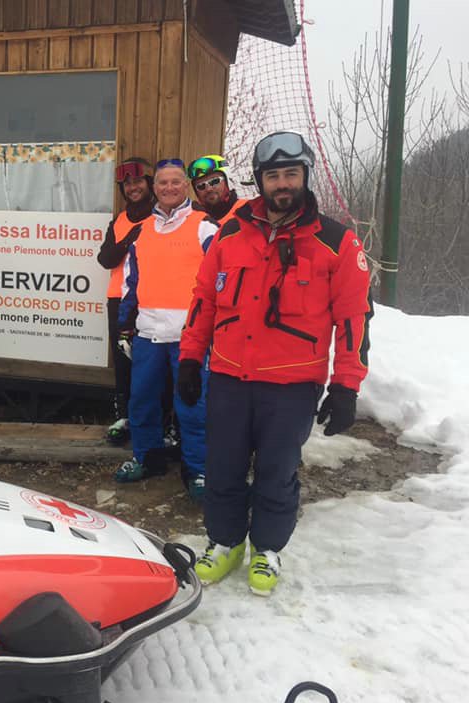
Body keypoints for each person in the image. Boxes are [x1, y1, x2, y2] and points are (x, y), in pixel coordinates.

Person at [179, 131, 372, 596]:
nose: (282, 183)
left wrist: (346, 385)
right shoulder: (229, 232)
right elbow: (204, 300)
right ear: (260, 181)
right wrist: (189, 357)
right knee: (222, 466)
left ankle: (266, 548)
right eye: (273, 176)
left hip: (291, 385)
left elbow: (354, 319)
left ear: (304, 176)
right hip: (228, 375)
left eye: (291, 174)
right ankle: (225, 542)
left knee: (277, 471)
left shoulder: (336, 242)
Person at [115, 159, 218, 500]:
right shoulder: (142, 230)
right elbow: (132, 282)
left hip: (191, 337)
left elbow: (223, 281)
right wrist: (125, 325)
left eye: (176, 182)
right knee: (142, 401)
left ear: (186, 186)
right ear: (154, 187)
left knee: (193, 406)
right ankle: (147, 458)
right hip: (148, 334)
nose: (169, 188)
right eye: (163, 183)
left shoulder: (205, 227)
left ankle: (198, 469)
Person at [96, 157, 154, 446]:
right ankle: (124, 416)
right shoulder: (119, 220)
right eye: (127, 184)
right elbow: (106, 259)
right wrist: (130, 237)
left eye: (138, 182)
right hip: (118, 299)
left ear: (149, 183)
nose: (133, 188)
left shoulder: (160, 217)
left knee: (149, 361)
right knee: (122, 360)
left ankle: (151, 418)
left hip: (150, 298)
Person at [187, 154, 248, 222]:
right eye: (201, 186)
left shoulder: (246, 211)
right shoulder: (191, 220)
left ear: (228, 181)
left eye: (214, 181)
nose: (208, 189)